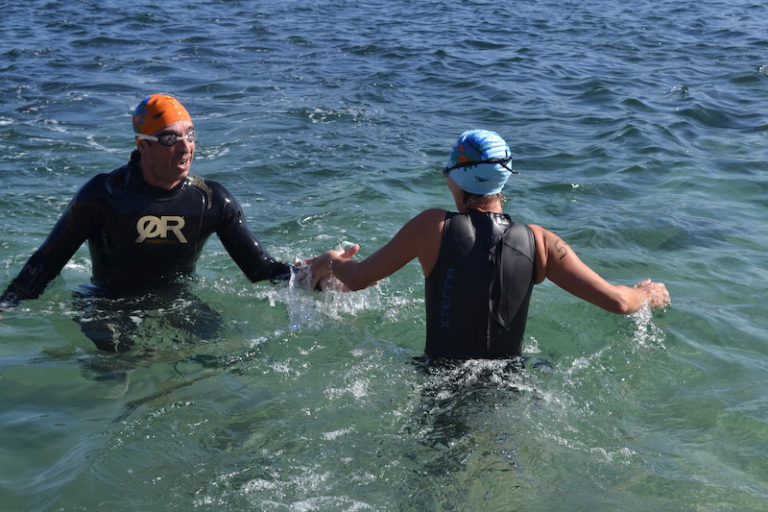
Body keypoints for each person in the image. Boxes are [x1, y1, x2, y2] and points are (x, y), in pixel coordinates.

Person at [0, 94, 346, 352]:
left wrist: (312, 275)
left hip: (176, 299)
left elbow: (260, 269)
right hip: (107, 302)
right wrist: (7, 303)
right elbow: (47, 261)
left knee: (221, 356)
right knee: (116, 370)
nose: (186, 146)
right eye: (170, 138)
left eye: (191, 135)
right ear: (142, 145)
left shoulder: (211, 200)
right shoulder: (103, 195)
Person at [316, 129, 670, 361]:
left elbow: (357, 278)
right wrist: (647, 294)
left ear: (456, 179)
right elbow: (620, 302)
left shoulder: (433, 227)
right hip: (508, 386)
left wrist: (332, 261)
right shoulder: (541, 242)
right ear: (504, 182)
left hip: (441, 381)